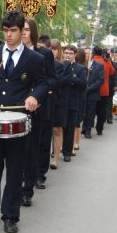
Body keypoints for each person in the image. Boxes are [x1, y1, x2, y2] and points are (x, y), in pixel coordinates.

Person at [0, 11, 47, 233]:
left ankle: (11, 215)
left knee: (15, 170)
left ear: (22, 30)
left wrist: (35, 96)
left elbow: (43, 83)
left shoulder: (35, 59)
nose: (9, 35)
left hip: (19, 122)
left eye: (13, 31)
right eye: (5, 31)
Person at [20, 19, 54, 205]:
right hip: (16, 108)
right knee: (17, 152)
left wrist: (37, 96)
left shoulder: (44, 53)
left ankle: (27, 189)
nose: (23, 33)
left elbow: (50, 79)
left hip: (36, 108)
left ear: (32, 32)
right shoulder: (12, 53)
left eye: (26, 30)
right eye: (21, 30)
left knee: (32, 150)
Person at [62, 45, 87, 158]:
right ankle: (57, 149)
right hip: (60, 101)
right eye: (66, 52)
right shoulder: (59, 65)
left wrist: (71, 78)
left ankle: (67, 151)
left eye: (70, 53)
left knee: (69, 128)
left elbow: (83, 85)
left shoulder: (80, 68)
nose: (68, 55)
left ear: (75, 55)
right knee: (58, 128)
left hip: (72, 101)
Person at [49, 39, 67, 170]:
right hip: (44, 101)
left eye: (54, 49)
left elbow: (60, 82)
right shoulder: (39, 62)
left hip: (59, 100)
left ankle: (55, 158)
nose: (52, 51)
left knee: (57, 130)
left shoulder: (62, 65)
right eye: (50, 49)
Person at [90, 46, 115, 136]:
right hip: (104, 89)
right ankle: (99, 129)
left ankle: (89, 125)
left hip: (93, 89)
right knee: (102, 111)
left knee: (91, 109)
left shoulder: (91, 61)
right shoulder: (106, 61)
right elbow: (112, 72)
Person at [81, 49, 104, 139]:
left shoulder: (99, 66)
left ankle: (88, 130)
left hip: (92, 93)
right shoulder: (80, 64)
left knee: (90, 113)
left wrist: (90, 88)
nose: (87, 55)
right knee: (82, 112)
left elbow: (100, 80)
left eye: (89, 54)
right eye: (85, 53)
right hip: (81, 93)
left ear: (93, 54)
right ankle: (82, 127)